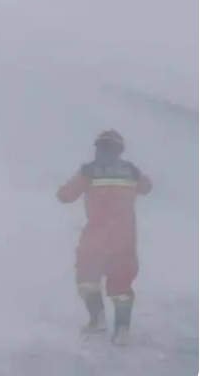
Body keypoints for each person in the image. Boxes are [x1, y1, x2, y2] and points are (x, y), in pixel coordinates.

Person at [57, 130, 152, 346]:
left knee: (86, 275)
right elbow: (147, 188)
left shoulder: (89, 171)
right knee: (121, 282)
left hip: (97, 235)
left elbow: (66, 196)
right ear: (120, 150)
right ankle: (122, 330)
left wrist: (62, 189)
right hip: (126, 236)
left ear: (99, 148)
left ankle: (97, 319)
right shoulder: (132, 171)